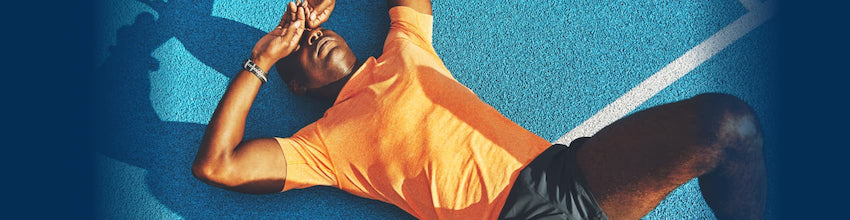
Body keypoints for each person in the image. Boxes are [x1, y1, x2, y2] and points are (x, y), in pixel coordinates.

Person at [191, 0, 767, 219]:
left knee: (727, 126)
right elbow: (218, 166)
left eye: (311, 28)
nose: (309, 38)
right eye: (297, 51)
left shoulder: (404, 49)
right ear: (293, 87)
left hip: (567, 176)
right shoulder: (321, 147)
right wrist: (264, 55)